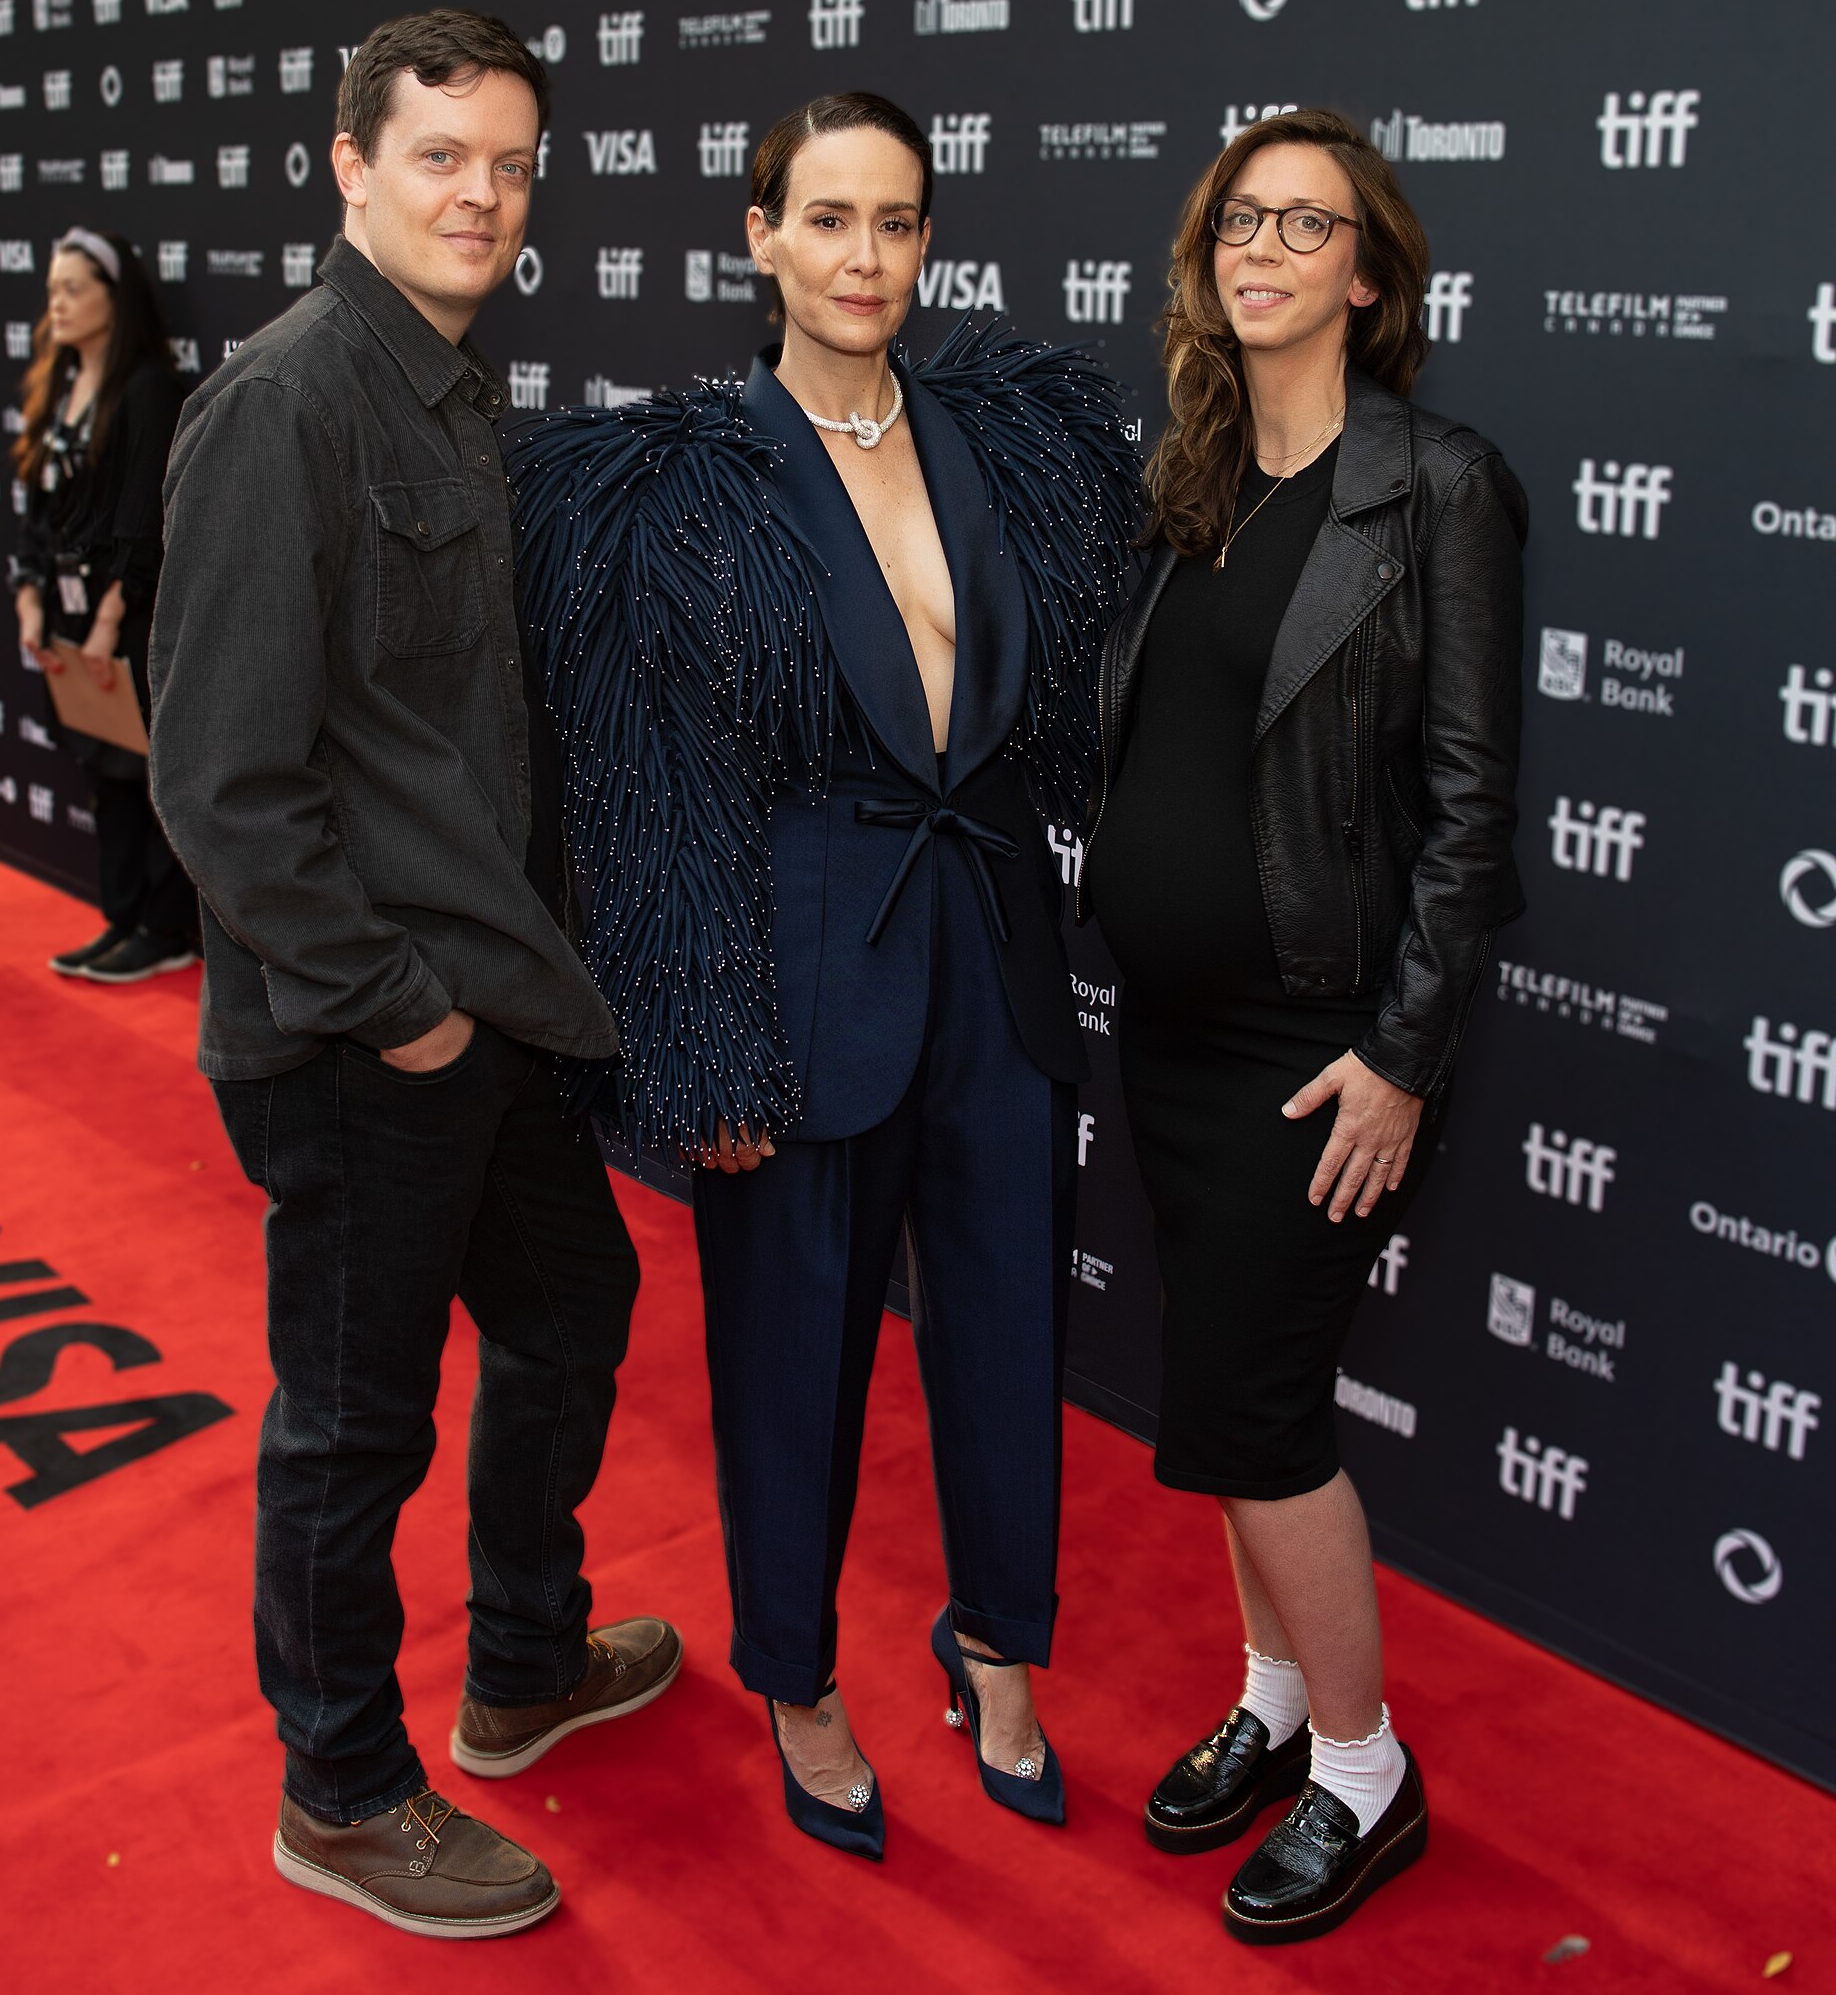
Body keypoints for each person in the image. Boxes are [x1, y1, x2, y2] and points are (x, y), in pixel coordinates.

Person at [510, 94, 1136, 1859]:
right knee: (790, 1364)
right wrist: (699, 1045)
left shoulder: (1002, 442)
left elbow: (1053, 704)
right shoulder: (682, 478)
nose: (867, 257)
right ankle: (796, 1676)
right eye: (831, 218)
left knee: (1009, 1336)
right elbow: (647, 790)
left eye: (899, 220)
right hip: (790, 991)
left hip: (996, 963)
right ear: (760, 233)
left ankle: (998, 1643)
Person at [148, 10, 681, 1941]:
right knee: (355, 1418)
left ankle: (522, 1658)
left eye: (511, 162)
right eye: (442, 155)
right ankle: (345, 1787)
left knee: (574, 1302)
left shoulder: (452, 388)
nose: (483, 195)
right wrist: (399, 1006)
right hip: (361, 1028)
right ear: (350, 166)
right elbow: (221, 781)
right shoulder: (288, 402)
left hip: (484, 1005)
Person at [1084, 109, 1525, 1944]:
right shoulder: (1191, 478)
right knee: (1223, 1393)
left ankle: (1364, 1764)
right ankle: (1274, 1698)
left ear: (1368, 274)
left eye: (1307, 223)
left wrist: (1406, 1053)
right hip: (1172, 1036)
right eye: (1238, 220)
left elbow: (1472, 808)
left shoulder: (1437, 485)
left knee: (1253, 1416)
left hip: (1320, 1050)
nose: (1263, 248)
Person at [10, 230, 197, 981]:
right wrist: (30, 596)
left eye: (71, 289)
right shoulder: (57, 388)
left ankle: (166, 927)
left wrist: (112, 620)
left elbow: (144, 515)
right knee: (103, 768)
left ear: (113, 300)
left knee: (148, 771)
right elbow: (38, 507)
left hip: (129, 617)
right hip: (70, 616)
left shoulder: (147, 389)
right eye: (51, 289)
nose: (55, 303)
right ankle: (122, 918)